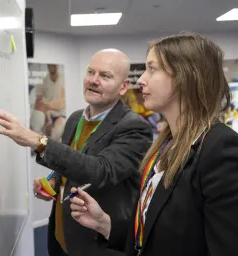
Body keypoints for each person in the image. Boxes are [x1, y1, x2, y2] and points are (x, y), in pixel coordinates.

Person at [69, 32, 238, 256]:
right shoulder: (166, 144)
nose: (140, 80)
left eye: (152, 69)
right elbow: (154, 231)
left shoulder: (219, 148)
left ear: (185, 77)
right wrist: (104, 223)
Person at [0, 49, 152, 255]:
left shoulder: (134, 128)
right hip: (60, 234)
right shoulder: (75, 119)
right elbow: (72, 162)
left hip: (96, 244)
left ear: (123, 87)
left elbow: (99, 171)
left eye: (105, 76)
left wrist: (37, 140)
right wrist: (54, 182)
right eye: (90, 72)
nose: (93, 80)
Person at [30, 64, 66, 141]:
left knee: (55, 135)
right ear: (48, 66)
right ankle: (42, 150)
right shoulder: (43, 80)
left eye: (54, 65)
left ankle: (49, 150)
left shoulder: (64, 78)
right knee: (41, 135)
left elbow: (61, 105)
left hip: (61, 116)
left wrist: (46, 103)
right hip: (48, 115)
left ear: (57, 65)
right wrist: (48, 119)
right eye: (50, 65)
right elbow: (40, 103)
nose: (52, 66)